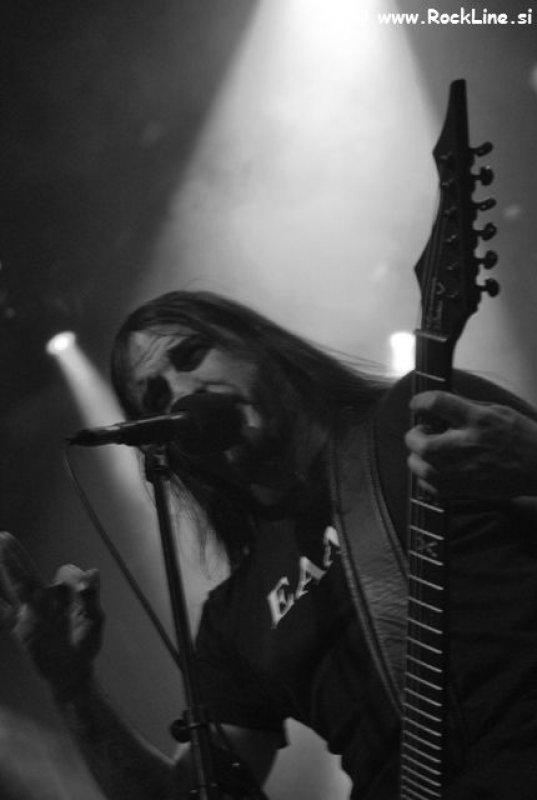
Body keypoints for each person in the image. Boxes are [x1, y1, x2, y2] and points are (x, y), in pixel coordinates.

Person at [2, 289, 537, 800]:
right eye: (157, 397)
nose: (182, 391)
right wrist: (72, 687)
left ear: (258, 344)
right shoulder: (234, 617)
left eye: (190, 355)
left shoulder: (411, 420)